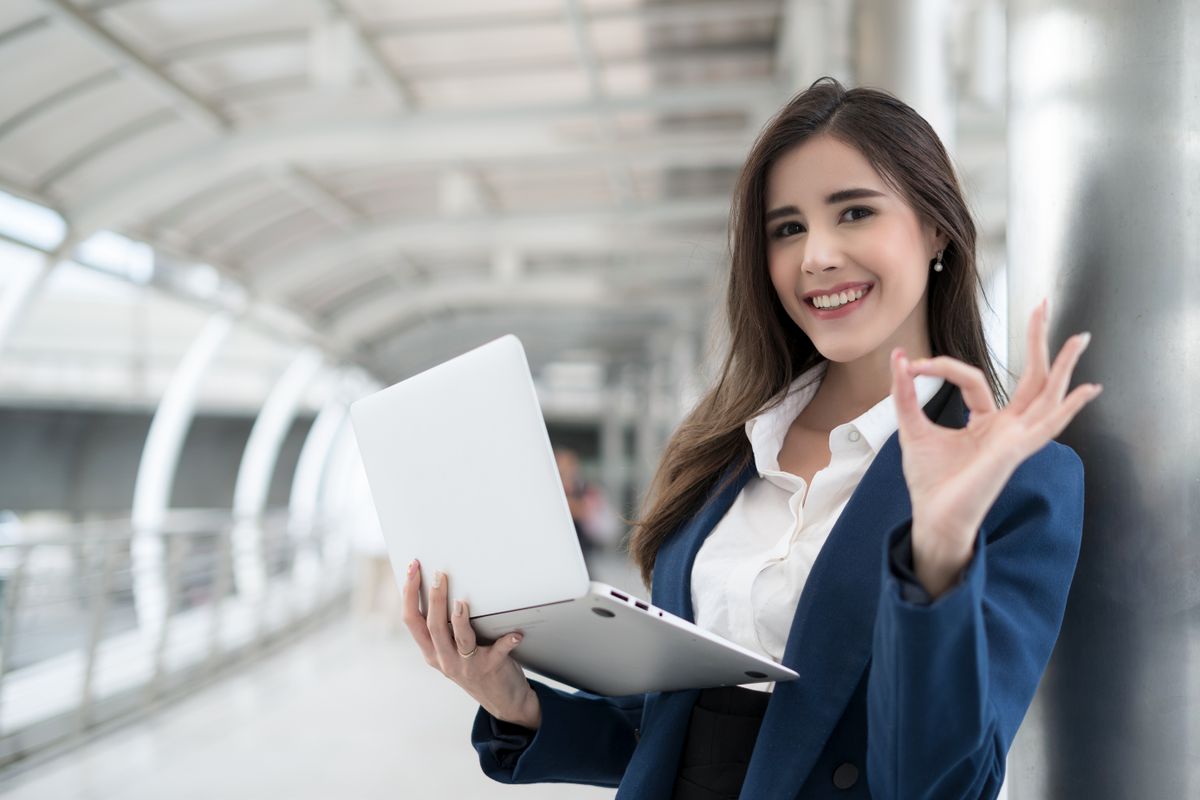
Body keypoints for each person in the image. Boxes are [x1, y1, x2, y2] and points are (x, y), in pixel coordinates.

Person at [400, 78, 1101, 799]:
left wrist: (938, 556)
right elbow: (683, 730)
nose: (816, 256)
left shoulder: (1021, 481)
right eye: (787, 228)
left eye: (854, 212)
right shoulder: (728, 449)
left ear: (936, 230)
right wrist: (517, 702)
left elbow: (940, 781)